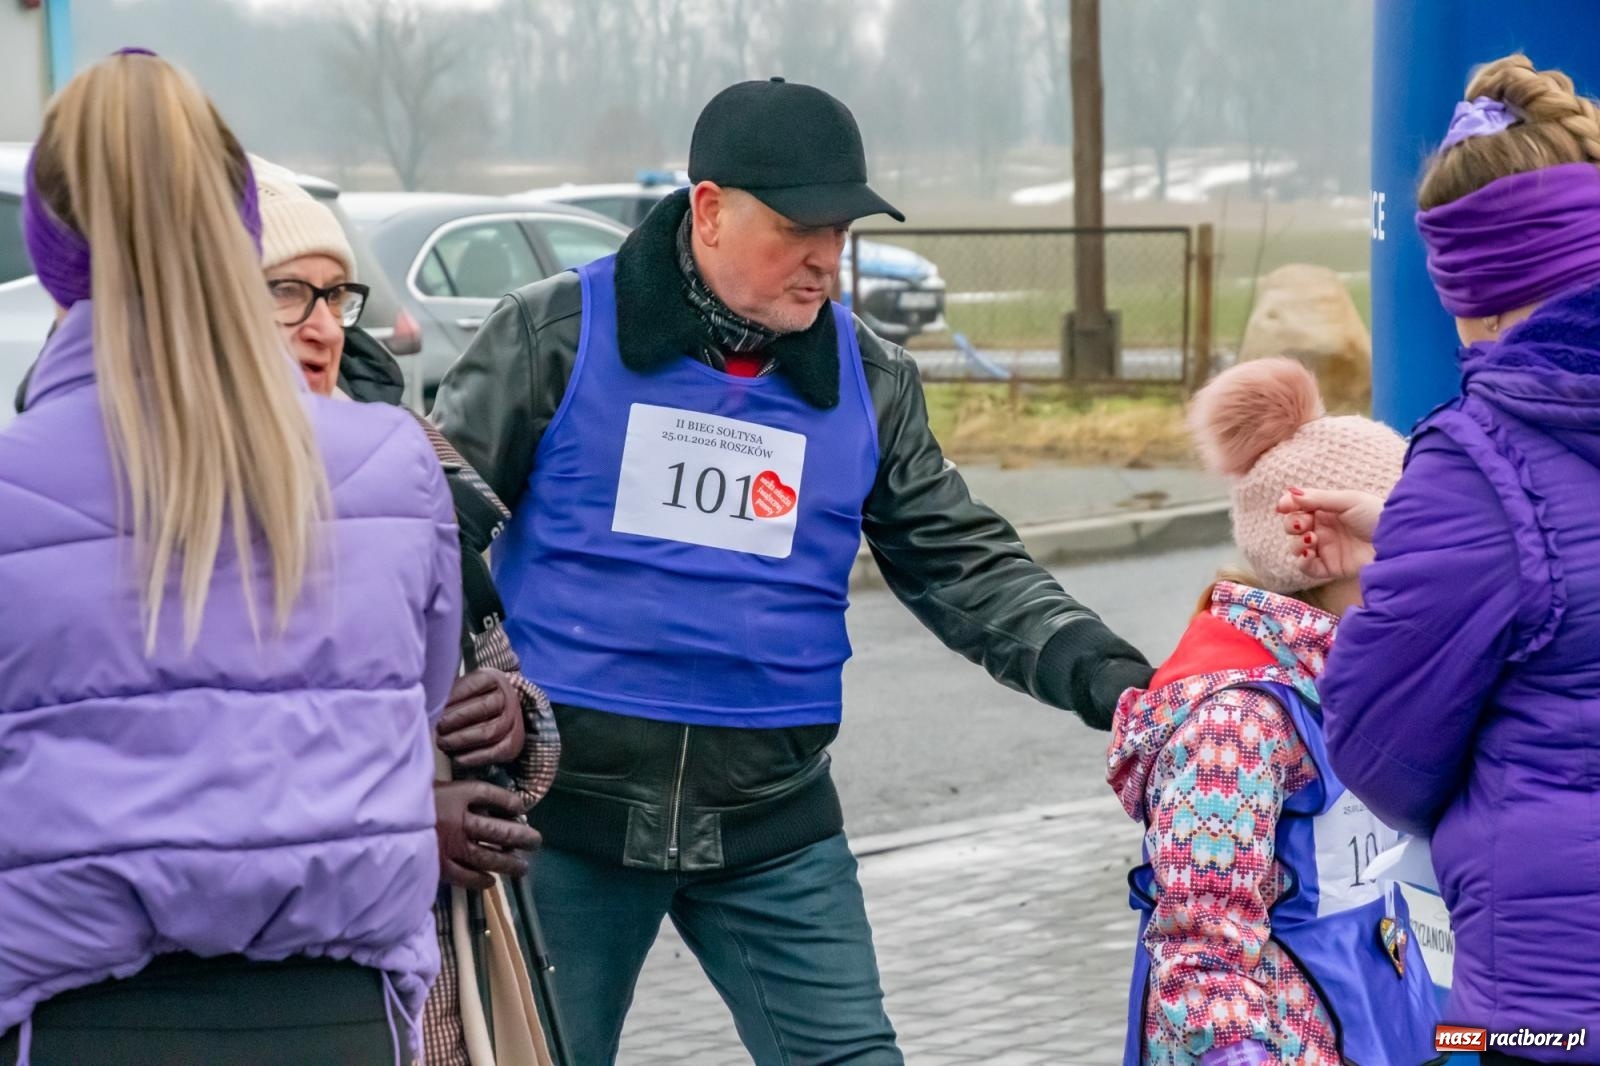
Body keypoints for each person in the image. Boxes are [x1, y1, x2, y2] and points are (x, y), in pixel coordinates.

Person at [431, 76, 1154, 1063]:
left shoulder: (871, 379)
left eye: (842, 230)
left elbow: (961, 562)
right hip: (565, 826)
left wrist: (1106, 673)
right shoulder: (552, 337)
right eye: (799, 227)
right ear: (709, 210)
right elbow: (422, 543)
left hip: (772, 824)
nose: (826, 259)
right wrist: (453, 705)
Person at [0, 52, 461, 1064]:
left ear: (50, 252)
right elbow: (411, 704)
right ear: (242, 229)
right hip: (339, 1015)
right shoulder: (391, 464)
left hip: (76, 1020)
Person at [1281, 53, 1600, 1065]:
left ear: (1480, 289)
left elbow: (1378, 750)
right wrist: (1425, 541)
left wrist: (1420, 562)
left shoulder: (1477, 460)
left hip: (1551, 1005)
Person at [255, 161, 558, 1066]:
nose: (320, 326)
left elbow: (505, 671)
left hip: (437, 987)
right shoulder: (167, 498)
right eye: (284, 293)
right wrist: (407, 830)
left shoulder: (413, 455)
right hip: (275, 989)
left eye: (336, 296)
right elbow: (206, 768)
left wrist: (514, 721)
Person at [1108, 358, 1439, 1066]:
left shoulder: (1357, 679)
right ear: (1329, 551)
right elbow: (1202, 945)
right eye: (1406, 537)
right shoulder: (1237, 720)